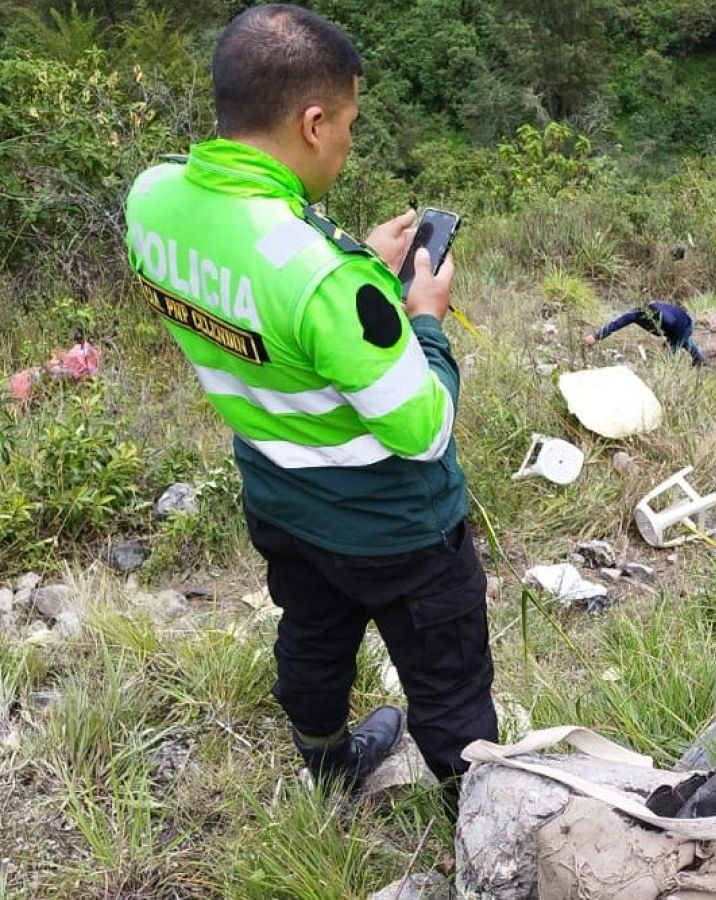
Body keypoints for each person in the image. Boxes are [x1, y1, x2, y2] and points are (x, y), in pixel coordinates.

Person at [122, 4, 496, 800]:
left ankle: (327, 760)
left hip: (281, 499)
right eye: (351, 124)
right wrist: (421, 319)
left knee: (314, 638)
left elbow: (256, 276)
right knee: (448, 679)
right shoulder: (327, 279)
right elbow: (424, 427)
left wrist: (348, 253)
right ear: (314, 121)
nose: (352, 142)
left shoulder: (150, 200)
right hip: (391, 529)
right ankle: (482, 812)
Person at [584, 301, 705, 365]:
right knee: (684, 342)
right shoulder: (636, 314)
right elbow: (616, 324)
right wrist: (596, 336)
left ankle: (698, 361)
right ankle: (699, 359)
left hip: (684, 325)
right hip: (674, 324)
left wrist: (667, 346)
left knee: (667, 355)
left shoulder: (668, 320)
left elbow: (678, 335)